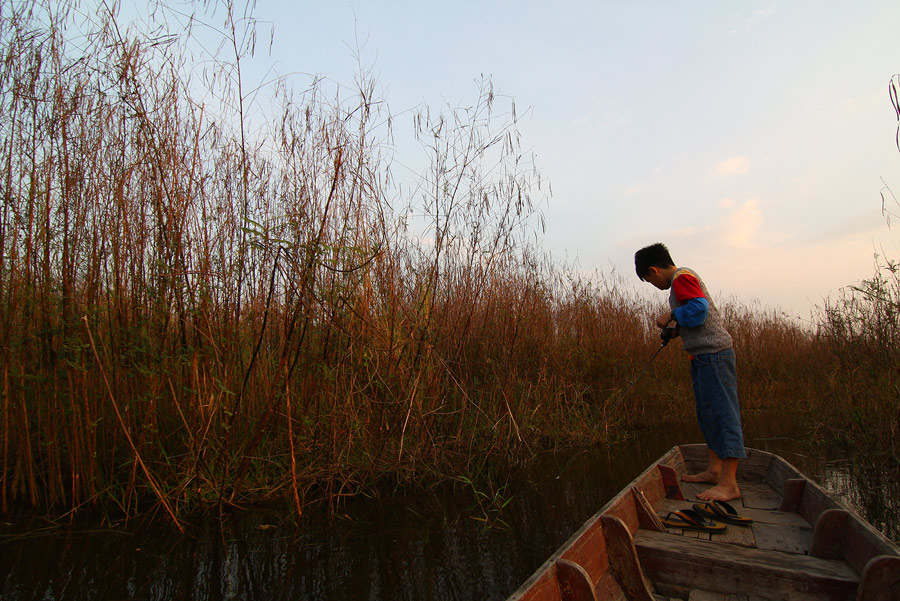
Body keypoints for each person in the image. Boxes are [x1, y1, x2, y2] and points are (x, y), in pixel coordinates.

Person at [634, 242, 745, 501]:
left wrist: (671, 314)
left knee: (723, 415)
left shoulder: (681, 278)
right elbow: (697, 321)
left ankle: (730, 484)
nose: (654, 285)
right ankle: (715, 471)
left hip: (715, 355)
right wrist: (675, 332)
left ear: (654, 270)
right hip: (703, 357)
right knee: (708, 415)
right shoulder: (681, 281)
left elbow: (699, 309)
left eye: (650, 281)